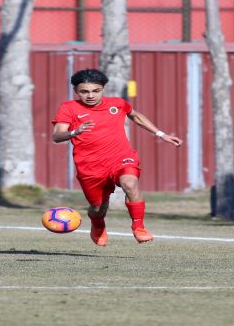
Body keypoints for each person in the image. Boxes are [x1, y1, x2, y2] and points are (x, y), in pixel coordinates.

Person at [52, 69, 182, 247]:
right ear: (76, 91)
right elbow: (57, 136)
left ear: (103, 89)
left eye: (95, 91)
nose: (90, 95)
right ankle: (98, 224)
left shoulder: (117, 104)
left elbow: (135, 115)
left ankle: (139, 227)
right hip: (90, 166)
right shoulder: (69, 108)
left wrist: (161, 134)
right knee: (98, 208)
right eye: (85, 91)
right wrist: (75, 131)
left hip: (120, 157)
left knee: (130, 183)